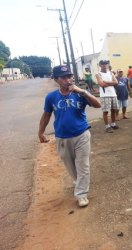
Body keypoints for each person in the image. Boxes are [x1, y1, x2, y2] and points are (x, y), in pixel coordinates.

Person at [38, 65, 101, 207]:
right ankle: (79, 183)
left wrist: (83, 92)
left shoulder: (80, 93)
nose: (67, 79)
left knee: (83, 165)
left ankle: (81, 194)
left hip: (81, 134)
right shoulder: (51, 97)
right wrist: (41, 132)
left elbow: (97, 105)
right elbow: (46, 115)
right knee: (71, 166)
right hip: (62, 137)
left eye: (69, 76)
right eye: (63, 77)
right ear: (56, 80)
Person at [95, 60, 119, 133]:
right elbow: (102, 84)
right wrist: (111, 83)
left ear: (108, 65)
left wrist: (106, 82)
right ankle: (107, 126)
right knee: (105, 111)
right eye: (102, 64)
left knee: (114, 110)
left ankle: (113, 123)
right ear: (100, 65)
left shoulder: (111, 73)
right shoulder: (98, 74)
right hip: (105, 95)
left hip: (113, 94)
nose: (104, 65)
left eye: (106, 64)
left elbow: (116, 82)